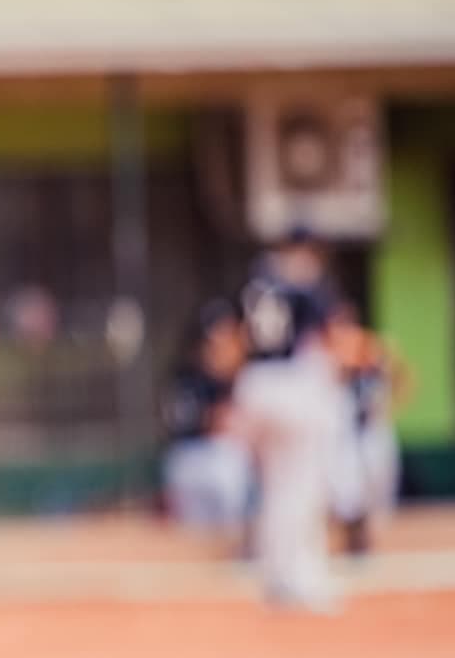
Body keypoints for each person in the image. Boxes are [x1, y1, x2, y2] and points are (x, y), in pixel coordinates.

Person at [230, 227, 344, 610]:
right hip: (293, 389)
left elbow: (242, 338)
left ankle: (277, 577)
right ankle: (303, 578)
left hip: (255, 385)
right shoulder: (306, 284)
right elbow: (327, 340)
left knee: (277, 489)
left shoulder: (255, 282)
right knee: (302, 487)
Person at [160, 299, 253, 538]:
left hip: (210, 461)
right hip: (197, 458)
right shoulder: (190, 377)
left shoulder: (245, 376)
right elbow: (213, 423)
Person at [326, 298, 405, 554]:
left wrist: (389, 403)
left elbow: (401, 376)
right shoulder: (324, 353)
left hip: (372, 430)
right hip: (342, 435)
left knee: (378, 493)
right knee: (345, 493)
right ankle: (352, 543)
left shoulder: (370, 347)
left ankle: (374, 544)